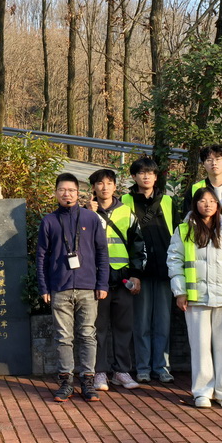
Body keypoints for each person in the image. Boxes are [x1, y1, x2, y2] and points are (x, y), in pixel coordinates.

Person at [168, 187, 222, 408]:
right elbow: (174, 261)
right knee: (200, 346)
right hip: (197, 297)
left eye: (212, 201)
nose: (208, 204)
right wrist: (180, 291)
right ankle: (202, 392)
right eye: (203, 201)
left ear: (218, 204)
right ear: (195, 204)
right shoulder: (184, 229)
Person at [36, 173, 108, 402]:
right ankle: (66, 381)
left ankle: (88, 380)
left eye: (71, 190)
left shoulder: (91, 218)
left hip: (88, 287)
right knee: (63, 337)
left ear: (78, 193)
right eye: (62, 190)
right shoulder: (49, 221)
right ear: (56, 193)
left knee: (88, 335)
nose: (66, 194)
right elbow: (41, 257)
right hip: (60, 287)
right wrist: (44, 287)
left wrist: (102, 283)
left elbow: (102, 253)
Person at [122, 157, 176, 385]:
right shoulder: (124, 201)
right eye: (141, 173)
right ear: (134, 176)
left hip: (164, 270)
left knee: (163, 322)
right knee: (141, 322)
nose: (146, 176)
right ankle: (143, 367)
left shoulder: (168, 201)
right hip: (139, 272)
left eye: (150, 173)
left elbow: (177, 235)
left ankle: (162, 367)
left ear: (156, 177)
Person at [87, 168, 141, 392]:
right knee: (98, 328)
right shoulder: (85, 213)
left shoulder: (126, 212)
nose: (105, 187)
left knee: (123, 327)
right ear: (93, 187)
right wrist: (90, 215)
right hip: (96, 280)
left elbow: (138, 245)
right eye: (100, 183)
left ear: (115, 187)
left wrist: (136, 274)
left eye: (109, 183)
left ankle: (121, 371)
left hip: (123, 279)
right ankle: (99, 371)